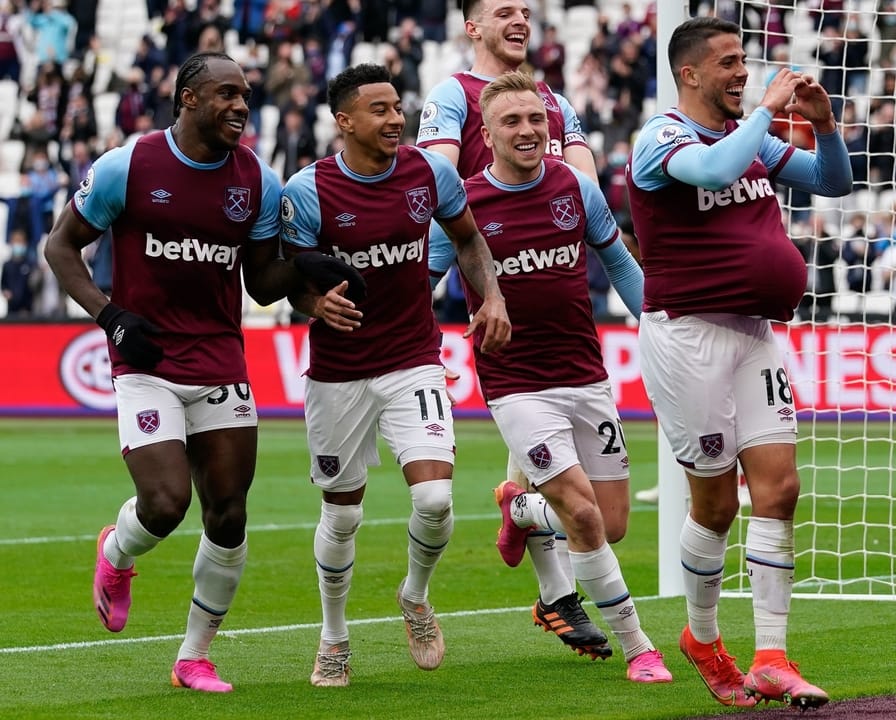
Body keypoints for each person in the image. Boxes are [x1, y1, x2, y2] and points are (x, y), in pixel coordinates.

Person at [42, 51, 360, 693]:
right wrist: (110, 317)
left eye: (245, 94)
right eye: (225, 94)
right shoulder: (128, 166)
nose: (241, 104)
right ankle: (117, 551)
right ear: (188, 99)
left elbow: (263, 283)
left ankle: (193, 656)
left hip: (219, 358)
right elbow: (60, 246)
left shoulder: (259, 181)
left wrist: (306, 268)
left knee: (229, 514)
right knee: (165, 503)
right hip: (146, 358)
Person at [626, 16, 852, 709]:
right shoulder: (661, 139)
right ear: (689, 74)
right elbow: (714, 170)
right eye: (726, 63)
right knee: (717, 506)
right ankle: (701, 637)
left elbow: (832, 182)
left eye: (742, 61)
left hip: (755, 333)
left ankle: (774, 656)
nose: (740, 72)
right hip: (687, 338)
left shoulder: (748, 139)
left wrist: (827, 124)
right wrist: (767, 113)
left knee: (779, 490)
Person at [428, 70, 670, 683]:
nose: (529, 130)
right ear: (487, 132)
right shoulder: (463, 203)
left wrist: (664, 327)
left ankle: (524, 510)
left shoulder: (575, 189)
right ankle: (640, 647)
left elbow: (618, 262)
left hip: (585, 376)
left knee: (610, 523)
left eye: (537, 120)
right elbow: (420, 278)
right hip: (515, 383)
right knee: (586, 518)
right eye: (512, 121)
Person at [278, 63, 511, 688]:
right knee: (343, 515)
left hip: (413, 359)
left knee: (435, 500)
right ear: (344, 121)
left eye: (397, 106)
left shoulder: (428, 172)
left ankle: (415, 596)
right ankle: (333, 637)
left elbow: (467, 237)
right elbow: (289, 276)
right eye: (379, 109)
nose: (395, 118)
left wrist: (489, 294)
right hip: (339, 372)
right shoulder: (307, 190)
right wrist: (313, 303)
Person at [416, 0, 617, 659]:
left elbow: (584, 185)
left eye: (526, 11)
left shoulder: (551, 101)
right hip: (499, 309)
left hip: (559, 299)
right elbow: (436, 184)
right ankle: (560, 600)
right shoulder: (453, 94)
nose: (519, 20)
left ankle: (542, 562)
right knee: (552, 477)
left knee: (558, 493)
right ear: (471, 26)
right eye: (502, 10)